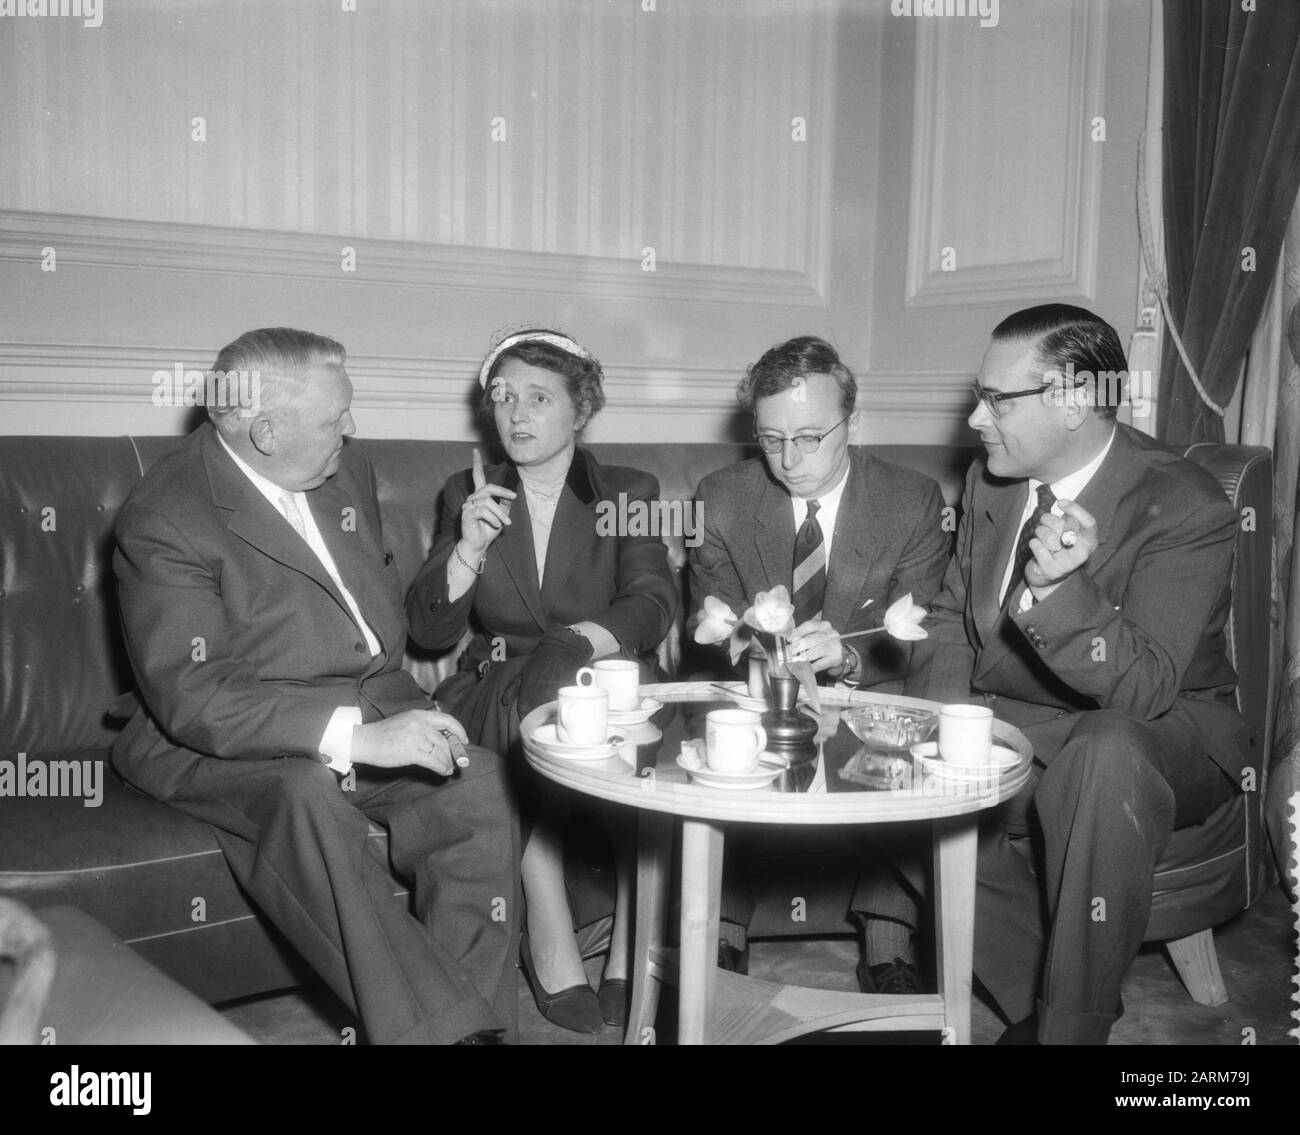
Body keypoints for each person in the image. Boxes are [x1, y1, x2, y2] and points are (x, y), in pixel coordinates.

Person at [111, 328, 520, 1045]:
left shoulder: (342, 470)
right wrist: (359, 737)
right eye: (336, 419)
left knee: (478, 783)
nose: (352, 430)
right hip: (221, 732)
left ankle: (473, 1029)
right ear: (265, 431)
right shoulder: (165, 515)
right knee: (305, 795)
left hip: (364, 705)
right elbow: (194, 694)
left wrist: (398, 714)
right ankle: (445, 1036)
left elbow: (385, 627)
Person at [904, 304, 1251, 1044]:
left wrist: (1064, 594)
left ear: (1073, 401)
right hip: (1028, 718)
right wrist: (936, 730)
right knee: (893, 773)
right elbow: (947, 620)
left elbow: (1147, 686)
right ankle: (1044, 993)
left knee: (1104, 753)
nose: (974, 418)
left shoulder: (1182, 502)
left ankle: (1069, 1033)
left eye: (998, 399)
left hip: (1163, 733)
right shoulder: (992, 482)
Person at [406, 329, 678, 1033]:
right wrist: (465, 550)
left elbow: (650, 603)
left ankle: (626, 936)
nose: (515, 414)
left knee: (589, 692)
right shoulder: (465, 492)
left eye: (537, 397)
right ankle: (543, 877)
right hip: (498, 684)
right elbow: (429, 633)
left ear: (580, 409)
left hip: (605, 672)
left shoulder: (628, 490)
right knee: (554, 695)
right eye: (502, 397)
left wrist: (574, 642)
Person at [689, 335, 950, 991]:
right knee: (731, 733)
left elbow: (927, 637)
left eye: (810, 436)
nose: (789, 458)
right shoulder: (721, 497)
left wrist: (850, 653)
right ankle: (723, 930)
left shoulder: (911, 499)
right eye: (771, 438)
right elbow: (710, 624)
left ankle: (888, 940)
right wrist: (764, 647)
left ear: (852, 423)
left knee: (906, 731)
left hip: (873, 695)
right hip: (761, 694)